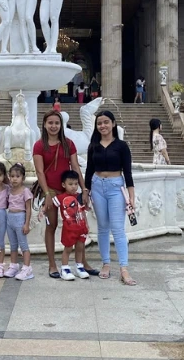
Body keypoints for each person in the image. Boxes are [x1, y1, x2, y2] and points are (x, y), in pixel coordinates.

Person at [33, 110, 97, 278]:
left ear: (61, 125)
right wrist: (47, 193)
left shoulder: (69, 143)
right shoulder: (39, 145)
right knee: (51, 225)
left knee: (78, 226)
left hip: (69, 189)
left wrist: (83, 190)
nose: (53, 126)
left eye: (57, 123)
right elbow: (39, 172)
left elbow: (76, 167)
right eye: (50, 123)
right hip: (51, 190)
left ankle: (82, 262)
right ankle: (52, 264)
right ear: (45, 125)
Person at [86, 110, 137, 286]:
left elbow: (128, 172)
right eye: (99, 123)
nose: (103, 126)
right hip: (97, 185)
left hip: (116, 186)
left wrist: (131, 196)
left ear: (113, 124)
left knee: (117, 228)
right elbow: (89, 170)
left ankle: (124, 268)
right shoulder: (93, 145)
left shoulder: (121, 146)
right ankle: (106, 263)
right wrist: (86, 191)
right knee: (102, 227)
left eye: (106, 122)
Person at [53, 170, 90, 281]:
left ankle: (79, 266)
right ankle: (65, 268)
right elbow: (50, 204)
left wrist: (86, 224)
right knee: (68, 248)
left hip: (81, 227)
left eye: (75, 184)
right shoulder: (60, 197)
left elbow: (84, 210)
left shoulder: (80, 197)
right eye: (70, 184)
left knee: (80, 247)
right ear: (64, 185)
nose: (73, 187)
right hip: (69, 229)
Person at [6, 162, 34, 280]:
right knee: (13, 245)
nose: (14, 179)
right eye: (12, 176)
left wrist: (26, 224)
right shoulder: (9, 190)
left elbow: (28, 208)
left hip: (20, 218)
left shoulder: (25, 191)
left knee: (23, 245)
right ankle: (13, 266)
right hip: (10, 218)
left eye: (17, 176)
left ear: (23, 178)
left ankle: (27, 268)